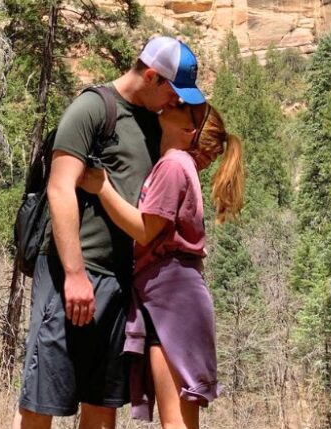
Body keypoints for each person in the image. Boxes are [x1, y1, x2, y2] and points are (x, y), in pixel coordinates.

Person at [13, 36, 206, 429]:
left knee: (102, 405)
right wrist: (75, 274)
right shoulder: (93, 108)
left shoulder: (155, 123)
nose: (176, 102)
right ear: (152, 76)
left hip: (120, 284)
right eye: (173, 91)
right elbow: (60, 187)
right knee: (42, 398)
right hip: (71, 275)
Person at [80, 102, 244, 429]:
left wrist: (101, 187)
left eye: (184, 108)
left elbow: (145, 229)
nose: (172, 104)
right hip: (171, 298)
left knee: (176, 424)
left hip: (172, 299)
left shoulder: (173, 165)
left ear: (190, 131)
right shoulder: (176, 165)